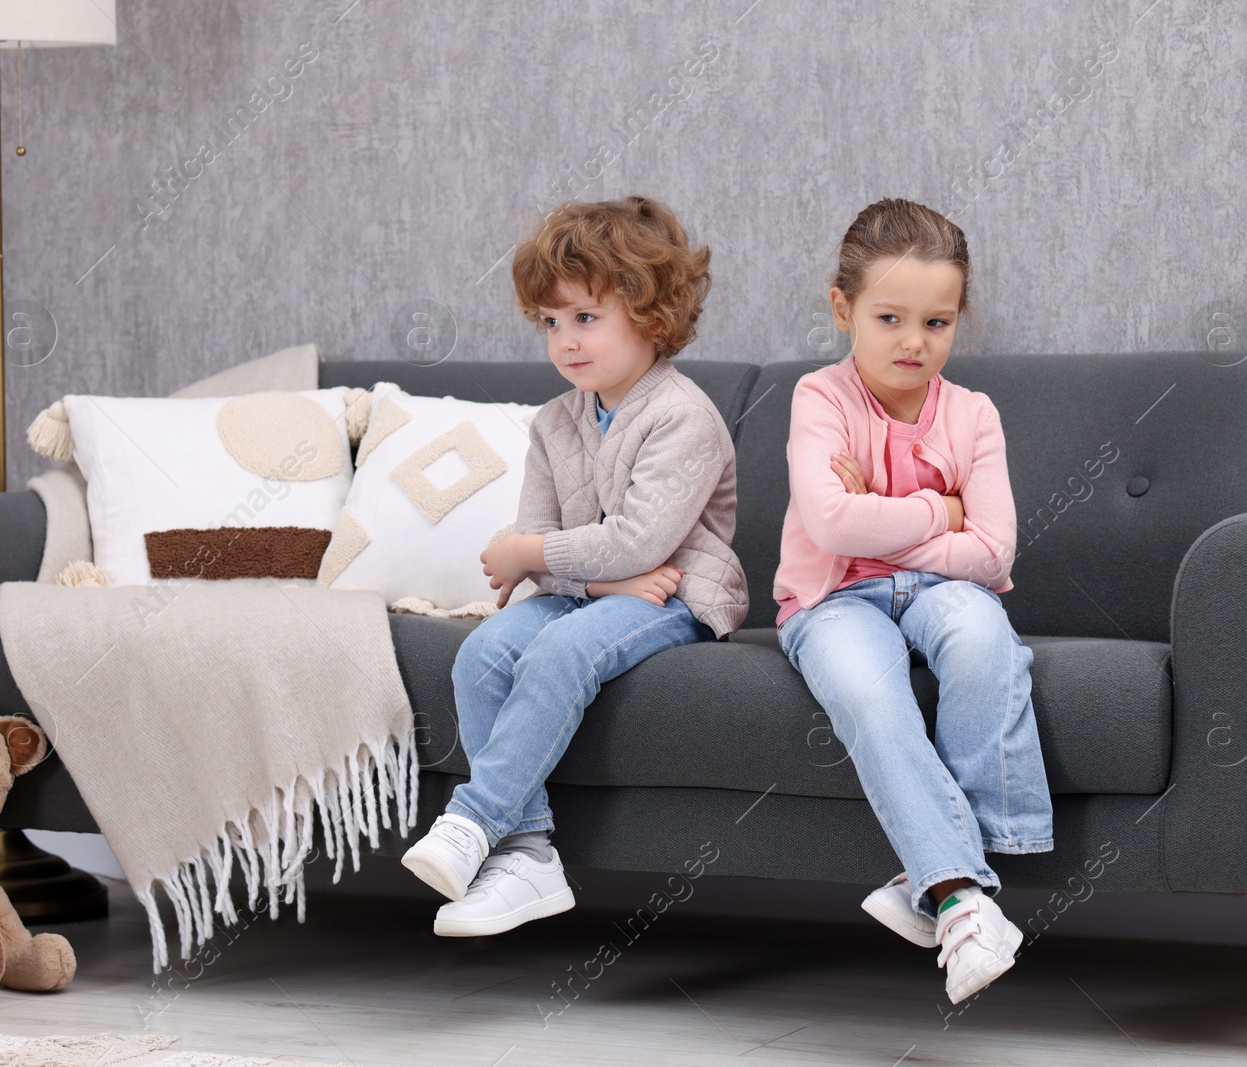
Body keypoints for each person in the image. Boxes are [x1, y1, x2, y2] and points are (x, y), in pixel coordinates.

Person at [402, 195, 749, 937]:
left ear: (652, 316)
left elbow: (626, 545)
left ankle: (474, 820)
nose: (565, 339)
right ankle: (529, 857)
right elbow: (558, 546)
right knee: (484, 653)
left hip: (678, 594)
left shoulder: (683, 416)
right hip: (612, 588)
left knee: (561, 649)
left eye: (585, 317)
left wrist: (549, 559)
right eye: (551, 322)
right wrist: (598, 578)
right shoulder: (555, 420)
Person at [774, 197, 1053, 1003]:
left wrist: (877, 524)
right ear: (843, 309)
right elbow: (827, 523)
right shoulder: (820, 400)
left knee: (980, 635)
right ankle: (962, 898)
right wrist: (941, 509)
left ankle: (932, 879)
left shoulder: (972, 415)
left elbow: (994, 550)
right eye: (890, 317)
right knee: (867, 689)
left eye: (937, 322)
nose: (913, 341)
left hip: (946, 590)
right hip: (832, 599)